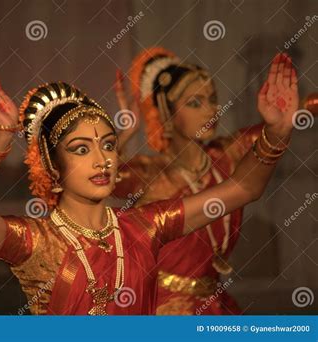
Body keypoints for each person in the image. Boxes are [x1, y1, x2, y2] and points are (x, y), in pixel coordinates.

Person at [0, 53, 298, 315]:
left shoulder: (145, 227)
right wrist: (1, 136)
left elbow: (242, 189)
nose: (103, 159)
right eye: (81, 149)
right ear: (52, 165)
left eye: (109, 145)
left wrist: (278, 131)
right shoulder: (37, 241)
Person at [113, 48, 294, 314]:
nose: (211, 110)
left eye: (212, 100)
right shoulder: (149, 174)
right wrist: (126, 132)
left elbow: (278, 127)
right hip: (163, 310)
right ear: (167, 113)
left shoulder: (228, 154)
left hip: (215, 304)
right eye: (195, 103)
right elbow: (82, 177)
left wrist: (290, 115)